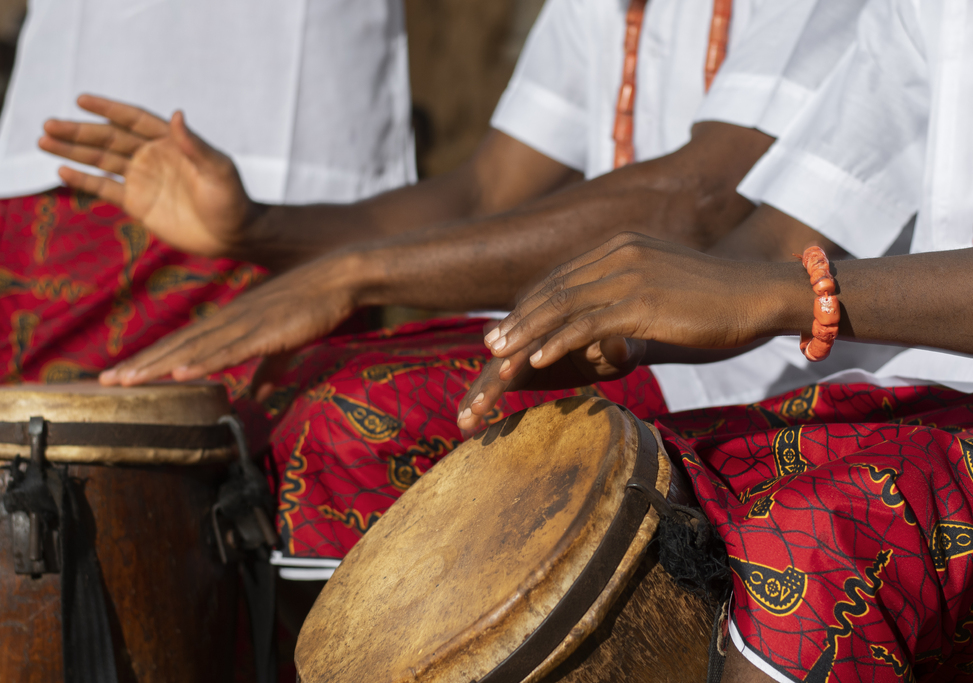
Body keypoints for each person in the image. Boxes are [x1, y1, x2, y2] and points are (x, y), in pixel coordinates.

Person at [40, 0, 880, 567]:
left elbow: (694, 199)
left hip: (746, 361)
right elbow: (483, 191)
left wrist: (352, 271)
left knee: (348, 421)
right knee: (269, 390)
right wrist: (259, 230)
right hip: (618, 338)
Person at [460, 0, 973, 679]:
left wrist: (780, 294)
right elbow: (794, 225)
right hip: (933, 397)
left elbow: (710, 206)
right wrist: (635, 329)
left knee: (816, 543)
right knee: (602, 485)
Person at [1, 0, 414, 385]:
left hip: (294, 162)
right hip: (65, 168)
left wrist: (269, 230)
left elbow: (474, 198)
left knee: (276, 430)